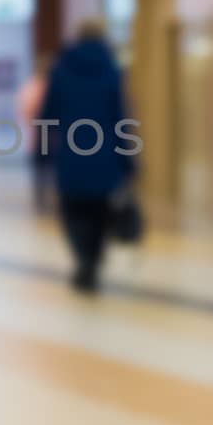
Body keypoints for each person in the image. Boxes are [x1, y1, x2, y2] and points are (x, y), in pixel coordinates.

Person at [41, 19, 133, 294]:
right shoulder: (111, 70)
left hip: (71, 153)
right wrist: (128, 159)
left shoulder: (61, 69)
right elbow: (120, 117)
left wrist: (45, 153)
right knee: (100, 211)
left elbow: (49, 115)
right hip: (105, 155)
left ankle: (83, 259)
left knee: (73, 210)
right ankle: (92, 260)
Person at [16, 56, 53, 215]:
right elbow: (25, 111)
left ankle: (44, 198)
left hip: (45, 135)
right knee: (43, 168)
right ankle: (42, 198)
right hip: (41, 134)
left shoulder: (37, 87)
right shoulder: (34, 87)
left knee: (44, 168)